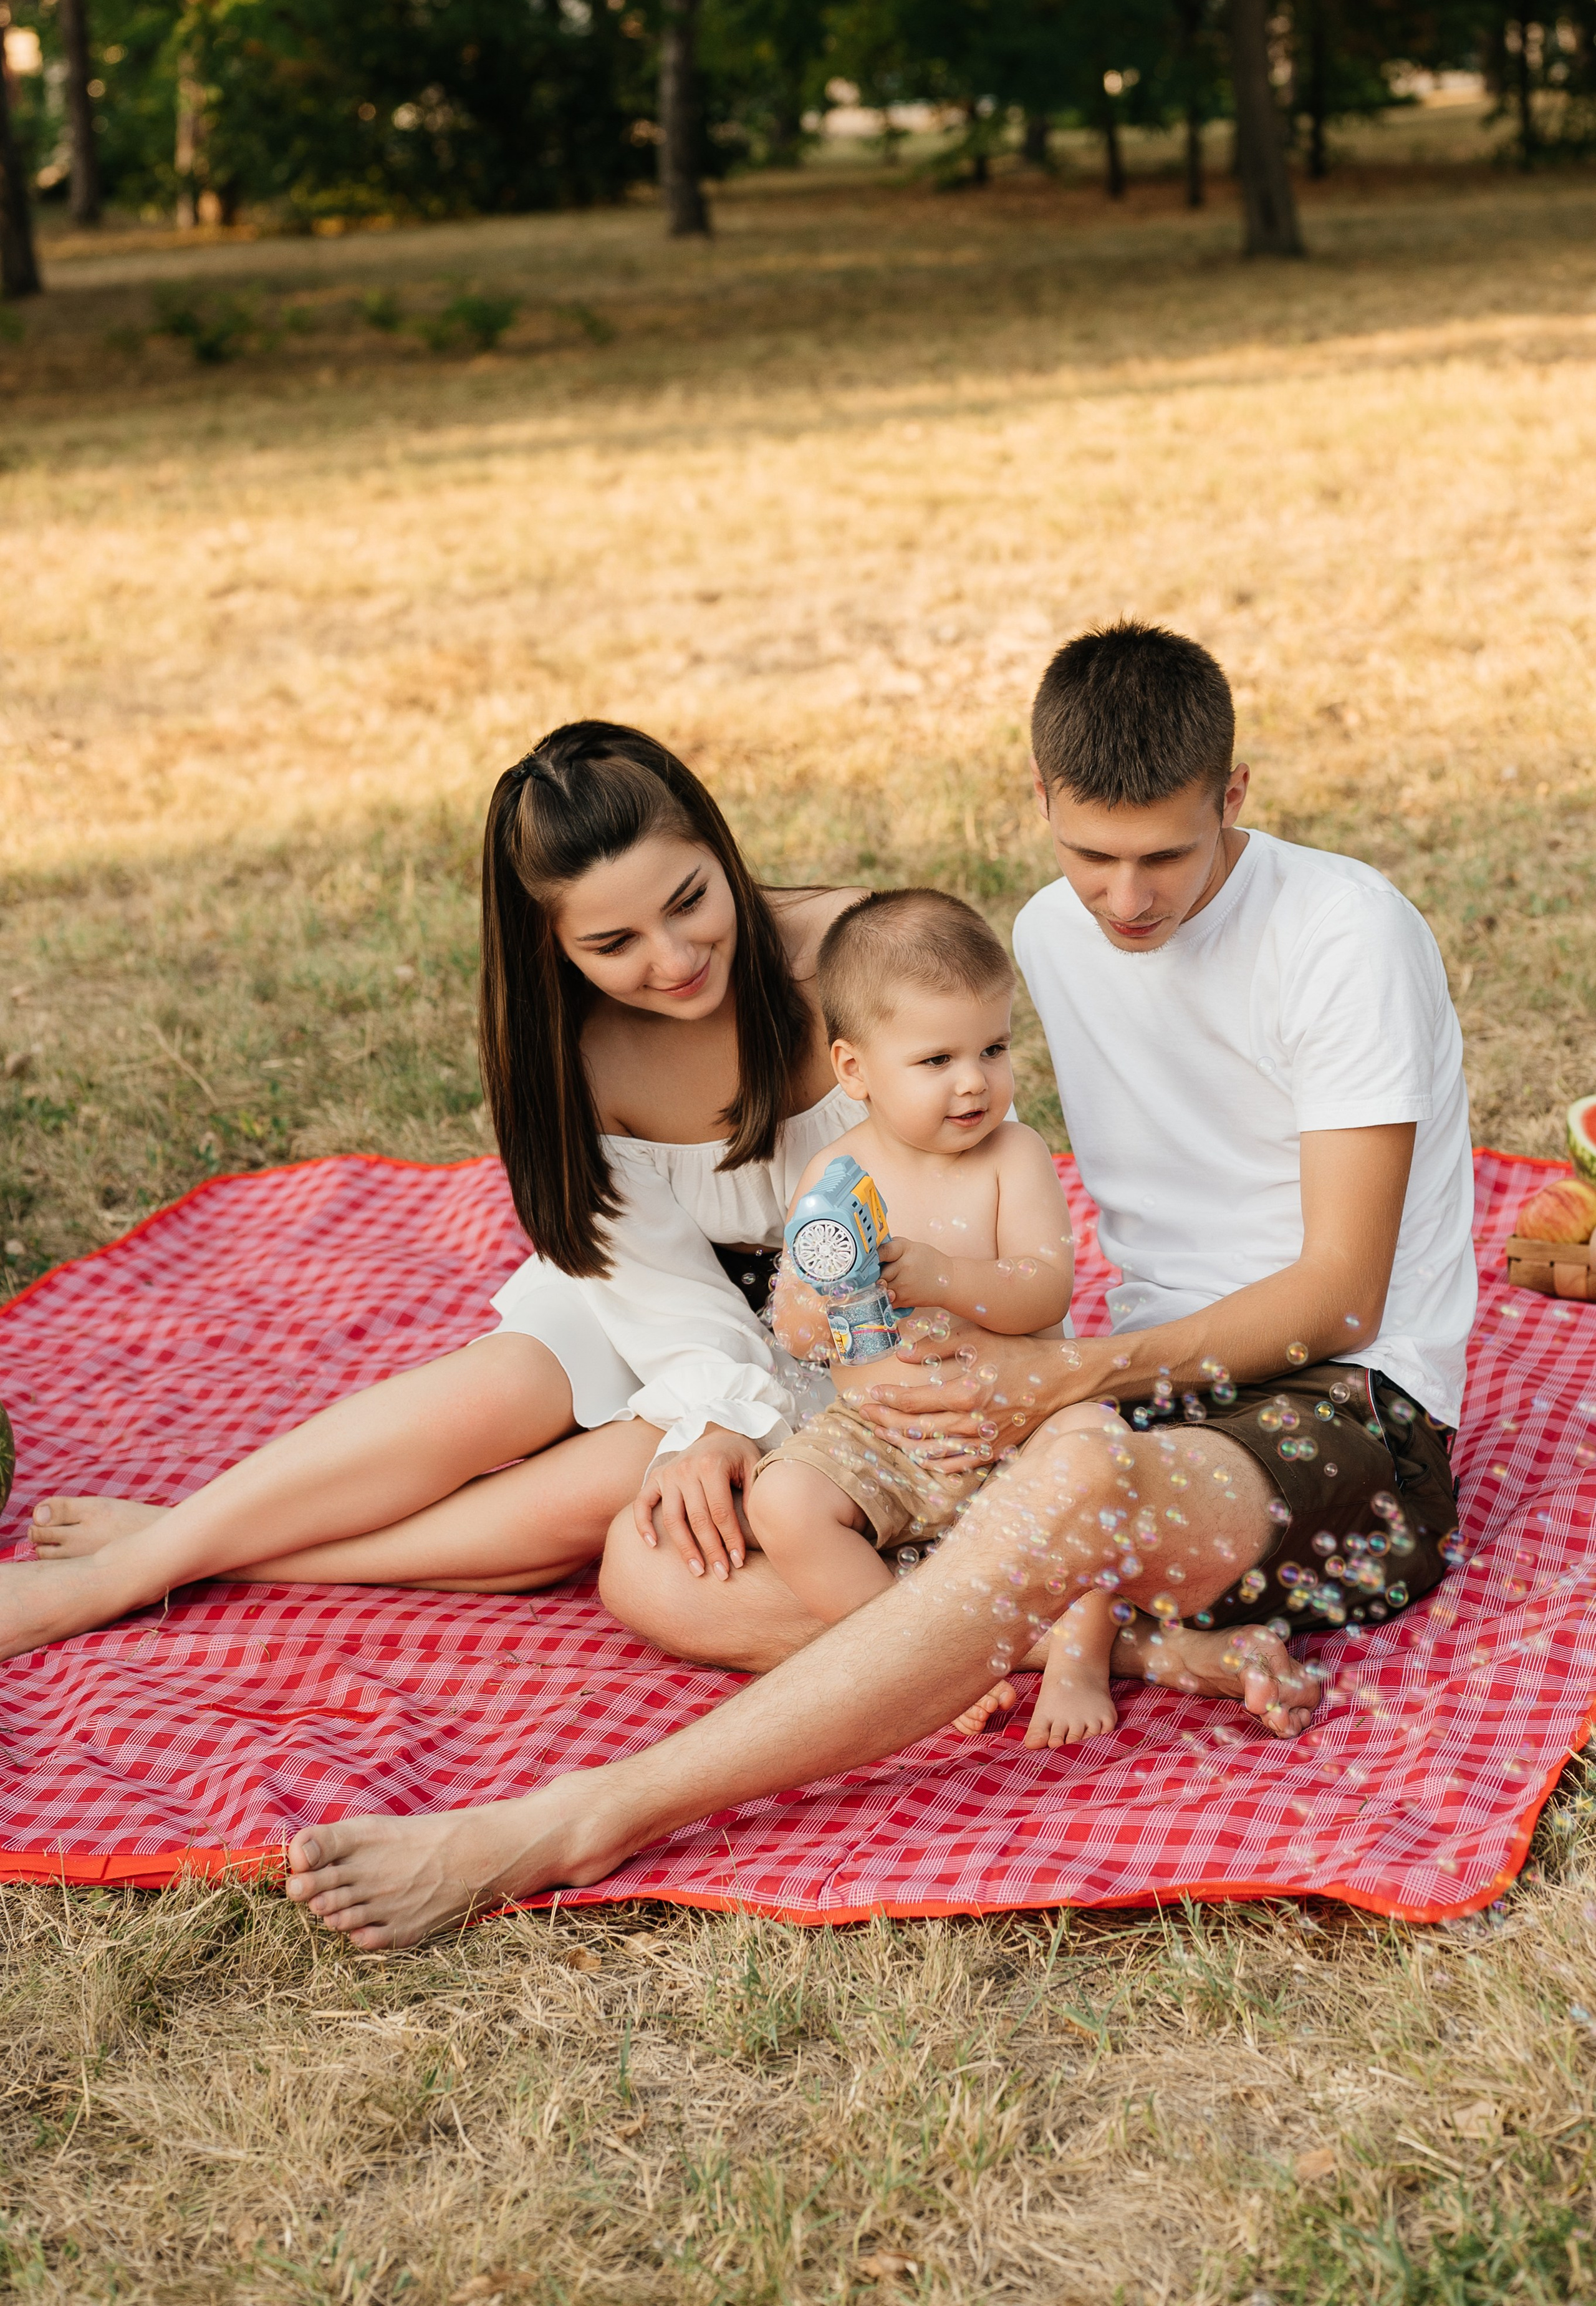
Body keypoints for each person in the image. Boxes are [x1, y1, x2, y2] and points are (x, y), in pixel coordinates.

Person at [271, 619, 1477, 1950]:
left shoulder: (1341, 932)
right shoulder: (1043, 936)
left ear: (1233, 798)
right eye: (1089, 857)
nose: (1124, 899)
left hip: (1342, 1413)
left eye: (1165, 856)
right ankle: (1111, 1647)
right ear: (1038, 806)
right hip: (1137, 1389)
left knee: (1066, 1481)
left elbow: (1341, 1294)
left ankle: (567, 1821)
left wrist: (1057, 1374)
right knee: (656, 1564)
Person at [4, 721, 870, 1659]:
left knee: (617, 1476)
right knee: (501, 1387)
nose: (672, 959)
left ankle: (191, 1554)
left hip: (848, 1323)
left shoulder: (858, 951)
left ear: (716, 845)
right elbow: (661, 1297)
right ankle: (119, 1575)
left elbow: (959, 1149)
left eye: (689, 901)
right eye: (614, 942)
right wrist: (712, 1414)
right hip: (664, 1298)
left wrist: (717, 1427)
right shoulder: (573, 1054)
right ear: (556, 948)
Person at [743, 886, 1132, 1749]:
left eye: (993, 1048)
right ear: (855, 1071)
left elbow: (1044, 1291)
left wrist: (945, 1275)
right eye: (936, 1061)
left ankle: (1076, 1656)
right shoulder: (834, 1175)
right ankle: (913, 1654)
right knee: (783, 1503)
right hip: (882, 1430)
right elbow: (801, 1333)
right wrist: (823, 1303)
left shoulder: (1014, 1156)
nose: (974, 1082)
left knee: (1100, 1454)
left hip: (1008, 1424)